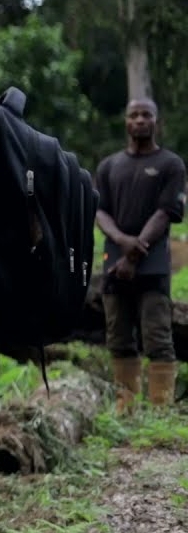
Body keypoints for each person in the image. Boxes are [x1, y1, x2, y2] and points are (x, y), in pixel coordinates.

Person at [94, 98, 184, 412]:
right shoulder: (108, 166)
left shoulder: (170, 164)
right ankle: (126, 406)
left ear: (156, 121)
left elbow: (165, 212)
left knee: (157, 337)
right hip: (114, 264)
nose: (140, 120)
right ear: (126, 121)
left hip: (153, 264)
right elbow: (100, 211)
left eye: (146, 115)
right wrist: (121, 241)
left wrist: (134, 253)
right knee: (118, 338)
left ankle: (161, 408)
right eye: (133, 115)